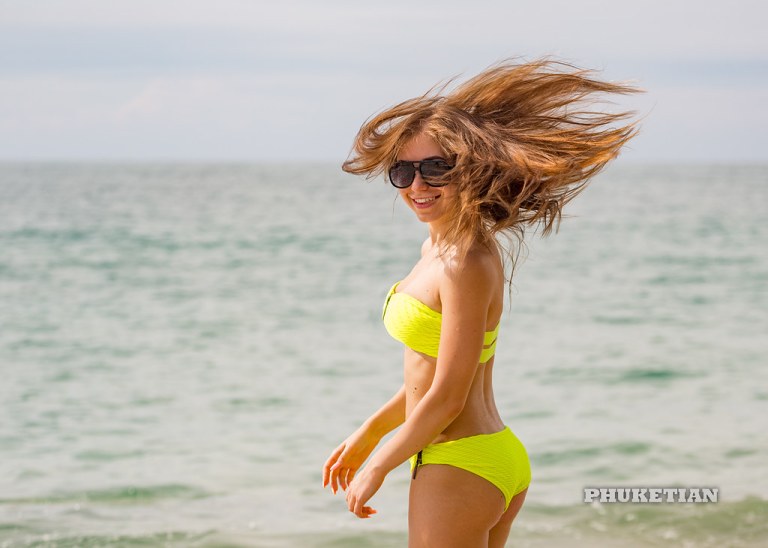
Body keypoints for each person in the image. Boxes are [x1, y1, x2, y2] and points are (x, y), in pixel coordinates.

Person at [322, 58, 640, 548]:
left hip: (460, 463)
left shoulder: (463, 262)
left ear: (469, 169)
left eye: (434, 168)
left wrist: (379, 465)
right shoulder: (440, 249)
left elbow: (449, 397)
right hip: (483, 457)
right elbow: (430, 377)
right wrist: (368, 432)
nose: (417, 186)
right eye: (403, 171)